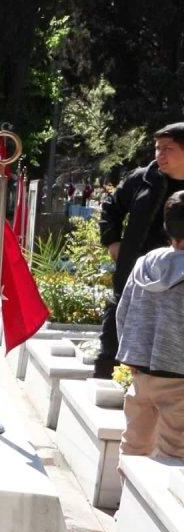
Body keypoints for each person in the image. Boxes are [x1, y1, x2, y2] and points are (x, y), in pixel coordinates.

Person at [96, 123, 184, 378]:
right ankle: (105, 382)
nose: (160, 155)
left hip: (178, 285)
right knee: (112, 341)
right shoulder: (144, 178)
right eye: (157, 148)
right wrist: (113, 241)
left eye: (168, 149)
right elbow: (111, 208)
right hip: (135, 274)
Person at [115, 191, 184, 457]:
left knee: (135, 443)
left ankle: (126, 497)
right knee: (175, 453)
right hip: (179, 376)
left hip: (141, 372)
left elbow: (124, 312)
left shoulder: (145, 263)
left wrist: (130, 355)